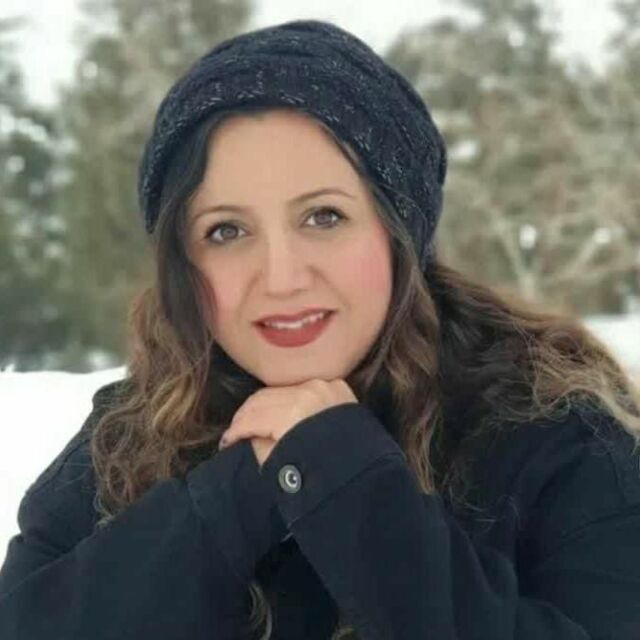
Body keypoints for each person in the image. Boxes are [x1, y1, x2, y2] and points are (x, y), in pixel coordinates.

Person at [1, 18, 639, 640]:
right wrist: (236, 494)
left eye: (323, 217)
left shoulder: (555, 433)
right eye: (226, 230)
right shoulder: (131, 435)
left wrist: (344, 483)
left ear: (399, 231)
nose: (281, 278)